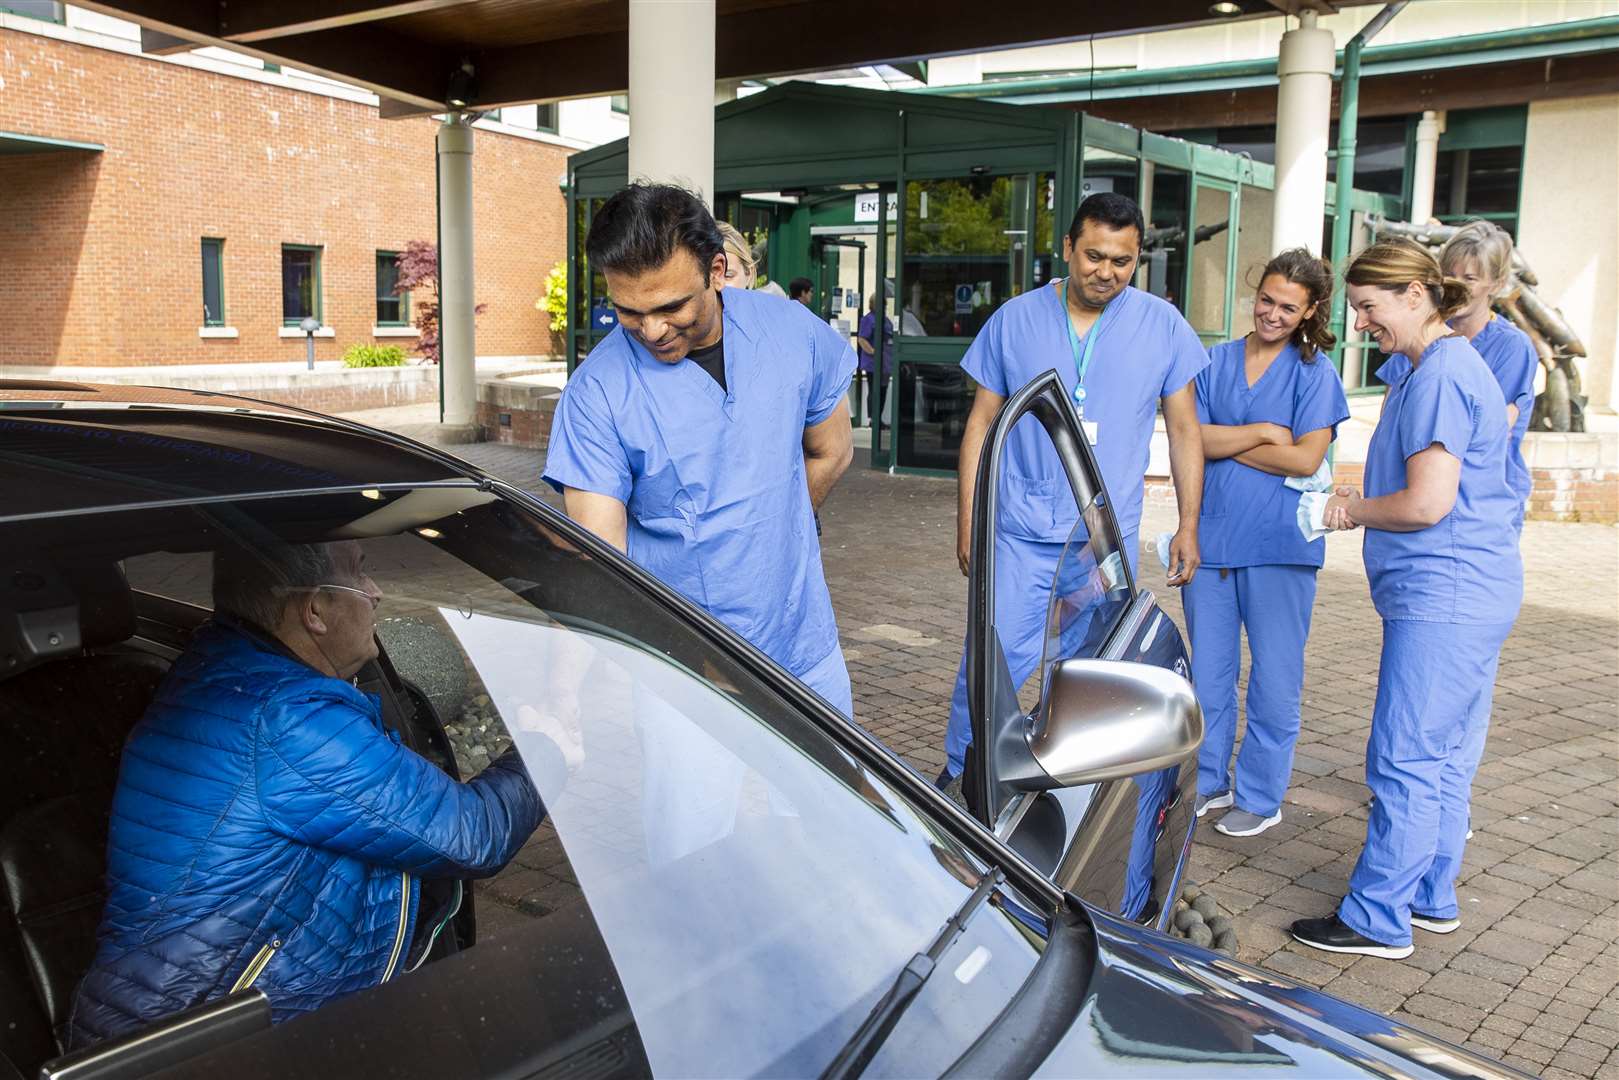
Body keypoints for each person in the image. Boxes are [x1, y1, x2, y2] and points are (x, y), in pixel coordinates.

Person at [69, 540, 553, 1045]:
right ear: (315, 611)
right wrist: (547, 749)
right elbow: (471, 833)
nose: (377, 592)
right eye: (361, 576)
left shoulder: (227, 668)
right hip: (199, 1046)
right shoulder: (286, 719)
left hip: (182, 1019)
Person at [543, 183, 856, 717]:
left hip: (804, 643)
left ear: (716, 271)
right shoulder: (597, 392)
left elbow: (831, 450)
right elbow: (598, 558)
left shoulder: (793, 333)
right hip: (686, 670)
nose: (653, 329)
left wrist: (773, 530)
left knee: (837, 800)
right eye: (628, 311)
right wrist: (563, 693)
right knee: (693, 806)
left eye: (671, 306)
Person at [1291, 241, 1522, 959]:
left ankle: (1375, 917)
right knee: (1446, 757)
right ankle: (1429, 894)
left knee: (1405, 757)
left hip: (1444, 593)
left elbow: (1425, 504)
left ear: (1417, 296)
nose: (1360, 324)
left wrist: (1347, 510)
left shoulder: (1441, 377)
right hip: (1475, 590)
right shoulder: (1435, 366)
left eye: (1368, 308)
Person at [940, 191, 1208, 785]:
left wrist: (1189, 524)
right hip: (1018, 531)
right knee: (991, 664)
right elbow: (981, 424)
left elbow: (1187, 430)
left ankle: (1068, 787)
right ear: (1066, 248)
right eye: (1093, 256)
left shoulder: (1162, 326)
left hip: (1102, 541)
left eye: (1121, 260)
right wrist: (970, 520)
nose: (1105, 272)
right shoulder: (1015, 318)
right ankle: (963, 776)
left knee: (1088, 673)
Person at [1184, 249, 1350, 838]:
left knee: (1275, 680)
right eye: (1266, 300)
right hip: (1211, 538)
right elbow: (1190, 439)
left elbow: (1308, 456)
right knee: (1208, 676)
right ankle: (1207, 782)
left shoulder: (1314, 373)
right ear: (1254, 293)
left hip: (1281, 544)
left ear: (1309, 313)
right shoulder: (1213, 360)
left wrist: (1221, 442)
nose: (1272, 314)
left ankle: (1261, 793)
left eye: (1288, 307)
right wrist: (1257, 433)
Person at [1378, 220, 1538, 533]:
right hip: (1413, 492)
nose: (1458, 284)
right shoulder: (1415, 337)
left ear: (1497, 282)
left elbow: (1492, 428)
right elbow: (1389, 419)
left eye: (1471, 277)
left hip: (1477, 505)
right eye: (1450, 274)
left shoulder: (1510, 346)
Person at [855, 292, 891, 425]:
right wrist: (873, 352)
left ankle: (879, 418)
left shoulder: (886, 320)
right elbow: (862, 339)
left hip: (885, 363)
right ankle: (872, 419)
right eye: (883, 305)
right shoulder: (868, 319)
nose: (884, 307)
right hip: (873, 363)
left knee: (883, 391)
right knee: (874, 390)